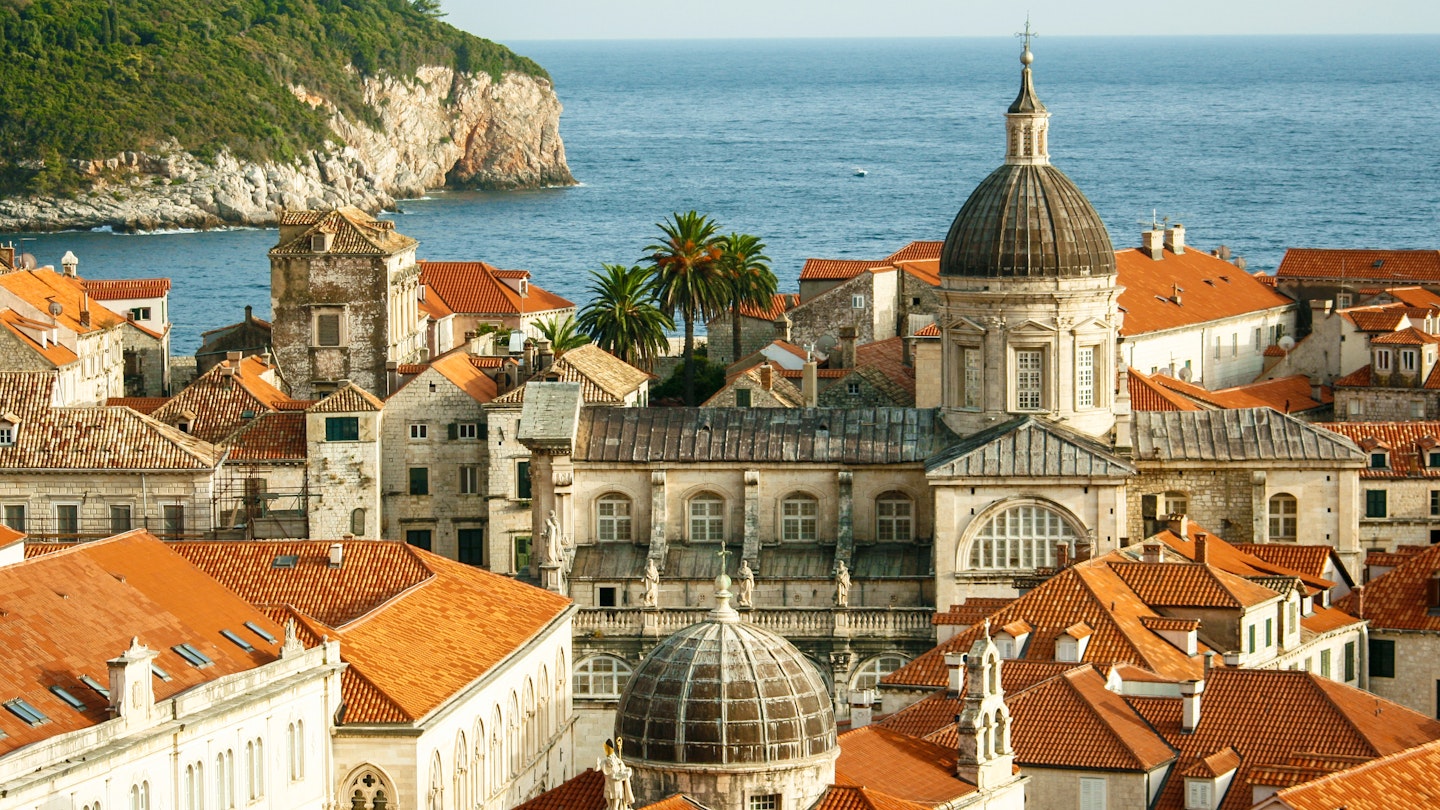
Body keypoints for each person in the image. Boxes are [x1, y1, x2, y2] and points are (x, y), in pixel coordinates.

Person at [599, 738, 634, 810]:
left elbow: (627, 771)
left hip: (617, 787)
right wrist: (597, 764)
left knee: (615, 807)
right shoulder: (605, 763)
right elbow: (597, 768)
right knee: (609, 806)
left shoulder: (618, 762)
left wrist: (622, 774)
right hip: (609, 785)